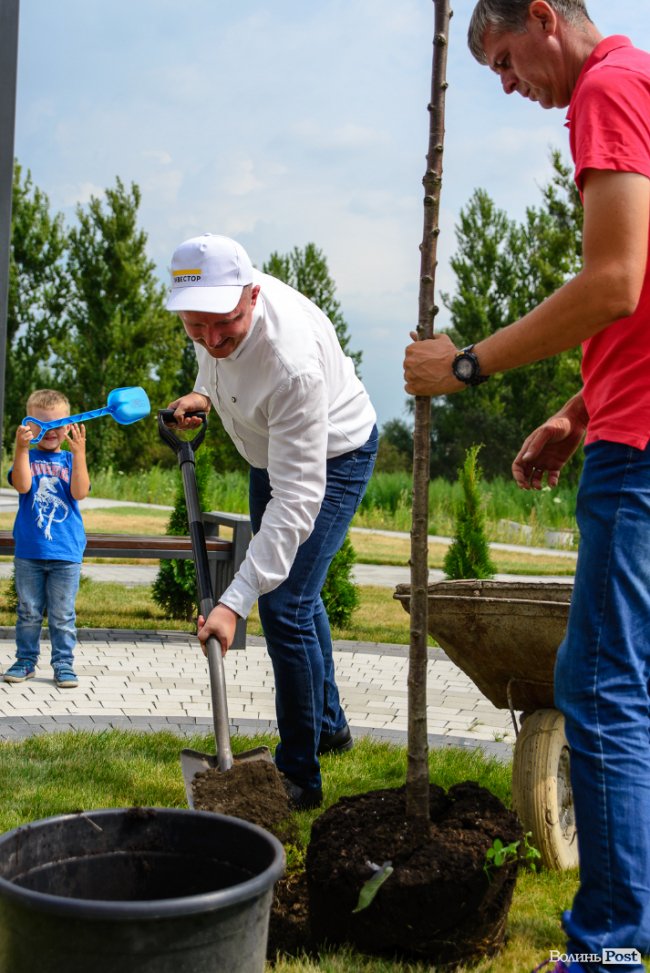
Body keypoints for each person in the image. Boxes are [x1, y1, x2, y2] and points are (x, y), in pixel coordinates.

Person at [403, 3, 650, 972]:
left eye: (505, 61)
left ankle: (610, 947)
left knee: (600, 684)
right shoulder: (636, 83)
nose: (508, 86)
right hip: (619, 420)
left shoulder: (606, 88)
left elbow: (614, 281)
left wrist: (466, 365)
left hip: (637, 454)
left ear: (543, 18)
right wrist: (576, 410)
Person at [166, 233, 377, 810]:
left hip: (334, 457)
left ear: (252, 295)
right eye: (196, 329)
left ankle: (298, 776)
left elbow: (297, 500)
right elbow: (221, 369)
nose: (212, 340)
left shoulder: (292, 362)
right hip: (271, 451)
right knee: (302, 600)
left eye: (225, 325)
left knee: (283, 605)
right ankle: (328, 724)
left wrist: (233, 603)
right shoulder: (212, 317)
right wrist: (203, 394)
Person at [4, 390, 90, 690]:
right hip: (30, 550)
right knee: (28, 611)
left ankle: (63, 663)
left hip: (66, 552)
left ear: (68, 427)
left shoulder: (69, 459)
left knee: (62, 613)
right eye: (40, 424)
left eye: (57, 425)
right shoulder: (26, 457)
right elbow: (24, 485)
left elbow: (79, 492)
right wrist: (20, 448)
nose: (50, 431)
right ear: (29, 426)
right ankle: (26, 660)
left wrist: (79, 454)